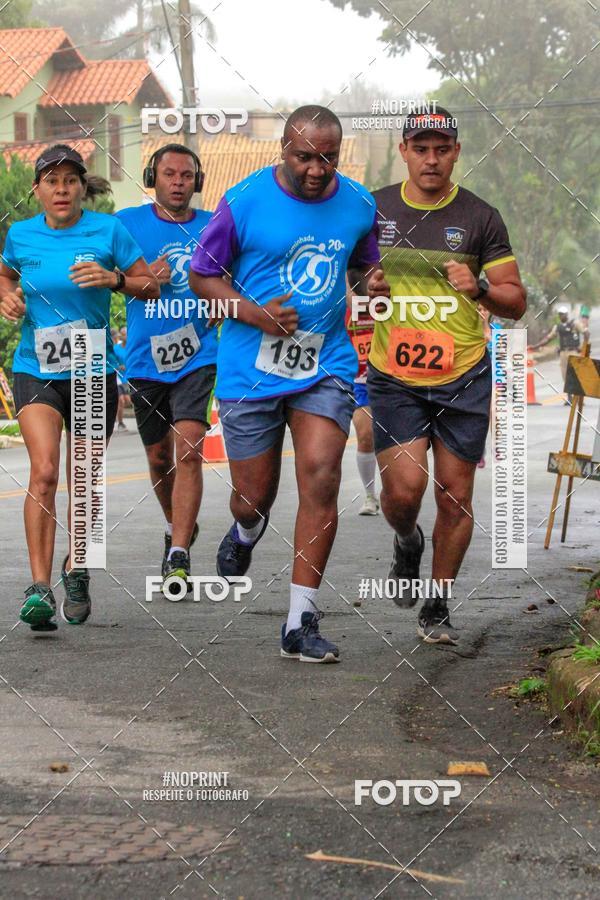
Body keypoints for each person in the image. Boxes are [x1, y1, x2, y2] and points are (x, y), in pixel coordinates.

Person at [189, 105, 380, 663]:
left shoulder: (359, 203)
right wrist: (254, 314)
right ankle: (245, 531)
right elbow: (202, 275)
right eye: (304, 157)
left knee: (321, 475)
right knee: (253, 496)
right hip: (250, 368)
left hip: (325, 362)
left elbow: (363, 266)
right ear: (283, 150)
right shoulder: (244, 201)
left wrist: (372, 282)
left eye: (328, 158)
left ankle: (300, 620)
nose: (317, 170)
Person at [364, 108, 526, 645]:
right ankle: (407, 540)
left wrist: (479, 287)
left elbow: (516, 301)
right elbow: (350, 272)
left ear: (456, 152)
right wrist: (367, 286)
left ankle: (436, 604)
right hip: (395, 376)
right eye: (420, 149)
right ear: (404, 151)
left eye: (441, 149)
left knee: (455, 497)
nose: (430, 159)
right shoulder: (374, 209)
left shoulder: (481, 217)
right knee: (404, 494)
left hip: (463, 376)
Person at [0, 144, 159, 632]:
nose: (62, 189)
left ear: (81, 187)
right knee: (45, 471)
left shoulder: (108, 230)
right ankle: (38, 587)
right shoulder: (21, 234)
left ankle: (77, 566)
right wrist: (7, 297)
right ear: (37, 190)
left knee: (84, 478)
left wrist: (114, 278)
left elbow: (149, 284)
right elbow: (4, 276)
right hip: (36, 366)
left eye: (70, 180)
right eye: (52, 181)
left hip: (91, 365)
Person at [116, 144, 217, 590]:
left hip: (199, 353)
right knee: (159, 458)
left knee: (189, 449)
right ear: (151, 179)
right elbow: (99, 276)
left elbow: (240, 272)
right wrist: (138, 281)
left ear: (197, 181)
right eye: (169, 174)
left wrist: (226, 300)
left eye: (186, 175)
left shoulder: (215, 224)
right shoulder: (126, 224)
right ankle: (177, 526)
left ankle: (179, 554)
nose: (178, 182)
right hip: (145, 358)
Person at [345, 302, 379, 513]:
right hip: (359, 380)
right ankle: (370, 496)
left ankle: (397, 491)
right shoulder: (342, 300)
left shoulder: (387, 295)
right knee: (365, 435)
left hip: (390, 377)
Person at [530, 305, 586, 404]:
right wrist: (535, 346)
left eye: (563, 314)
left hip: (574, 352)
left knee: (576, 376)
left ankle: (579, 399)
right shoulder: (558, 327)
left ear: (567, 314)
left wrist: (584, 347)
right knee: (565, 376)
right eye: (560, 314)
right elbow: (548, 338)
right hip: (563, 353)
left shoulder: (575, 324)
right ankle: (569, 399)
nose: (561, 316)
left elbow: (586, 333)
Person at [112, 327, 129, 432]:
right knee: (121, 401)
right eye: (122, 334)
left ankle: (113, 413)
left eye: (125, 334)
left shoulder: (132, 347)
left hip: (129, 378)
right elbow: (111, 362)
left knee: (128, 401)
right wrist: (118, 366)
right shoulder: (116, 348)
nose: (124, 336)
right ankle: (120, 423)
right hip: (118, 378)